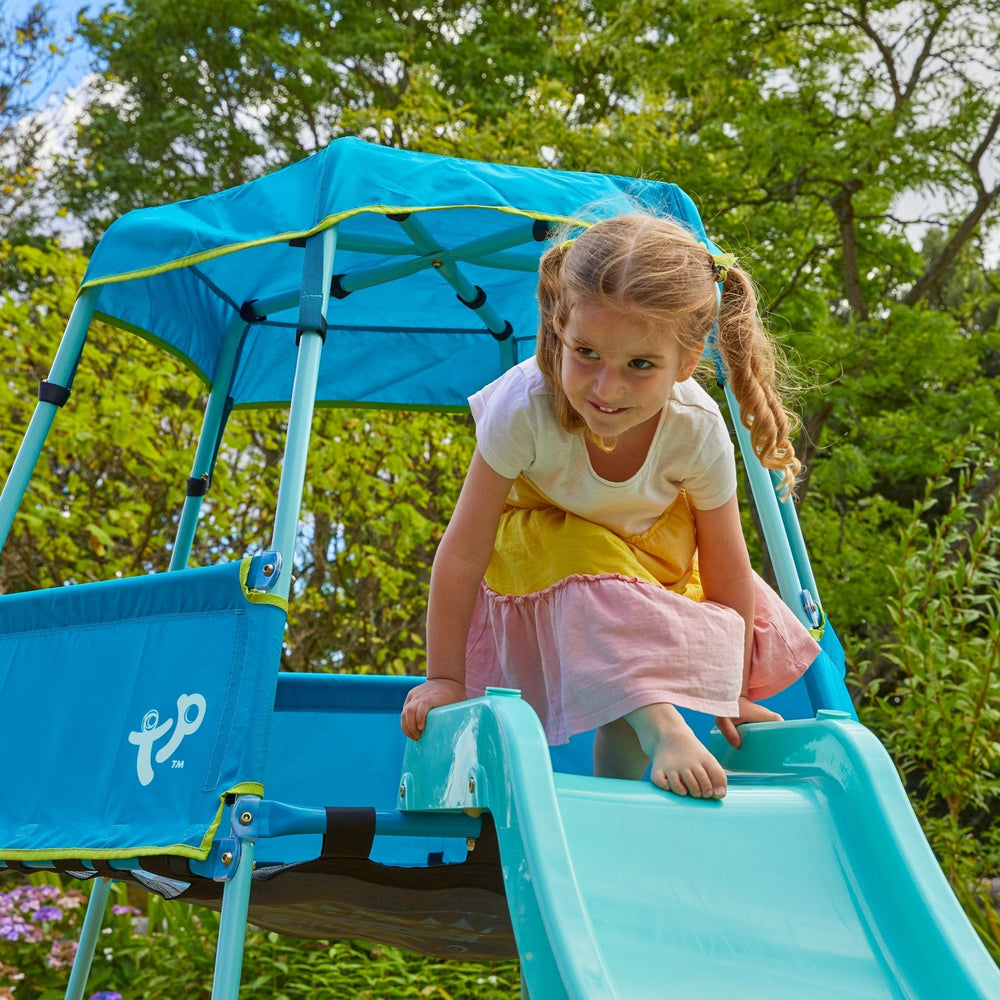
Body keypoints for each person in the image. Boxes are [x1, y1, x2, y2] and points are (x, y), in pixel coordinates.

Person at [400, 213, 819, 799]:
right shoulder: (526, 409)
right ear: (558, 328)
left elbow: (726, 563)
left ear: (689, 356)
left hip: (652, 560)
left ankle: (618, 799)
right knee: (588, 558)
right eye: (587, 353)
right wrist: (444, 677)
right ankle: (663, 726)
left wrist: (730, 687)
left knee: (618, 608)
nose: (605, 387)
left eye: (640, 365)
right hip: (545, 554)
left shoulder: (696, 429)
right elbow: (465, 550)